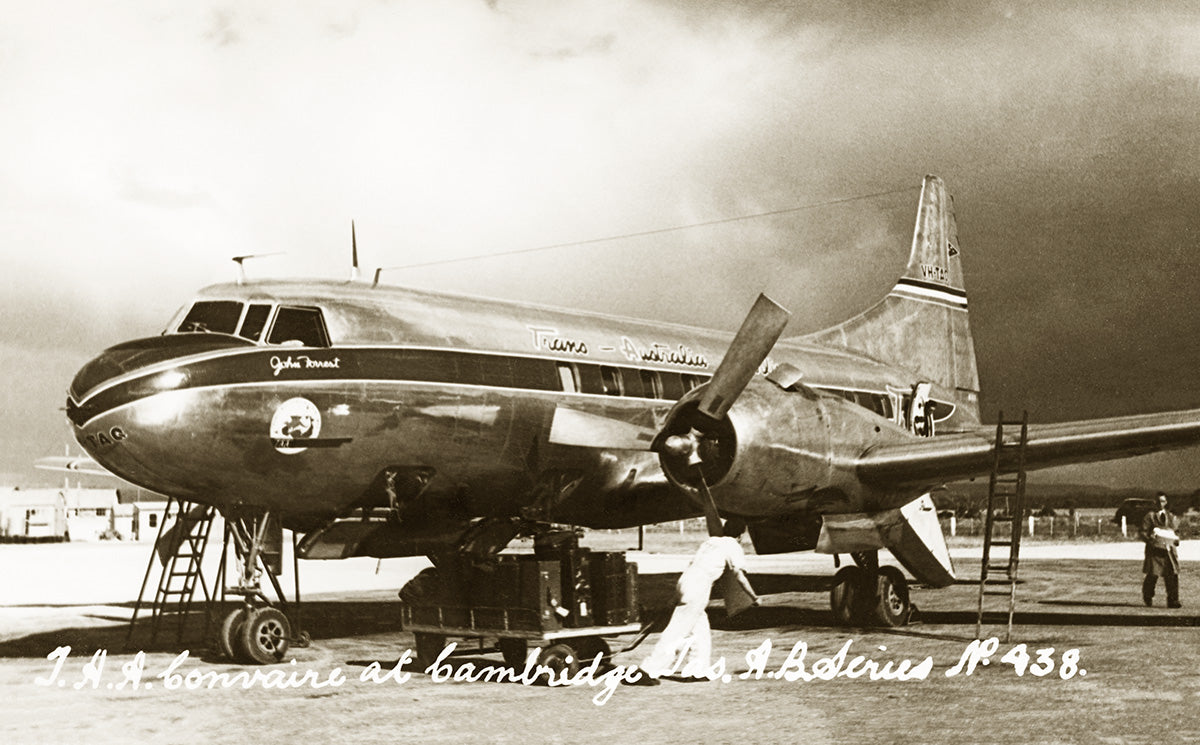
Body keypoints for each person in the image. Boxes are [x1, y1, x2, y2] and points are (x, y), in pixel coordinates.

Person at [629, 519, 757, 684]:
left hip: (686, 580)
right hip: (698, 586)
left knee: (700, 631)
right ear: (741, 535)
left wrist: (676, 596)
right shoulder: (733, 545)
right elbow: (738, 574)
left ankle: (698, 670)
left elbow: (693, 564)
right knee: (677, 631)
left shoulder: (711, 542)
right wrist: (754, 597)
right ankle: (647, 670)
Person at [1141, 492, 1181, 608]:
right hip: (1155, 550)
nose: (1160, 504)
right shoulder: (1150, 516)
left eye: (1163, 501)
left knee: (1172, 575)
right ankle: (1148, 595)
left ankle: (1173, 600)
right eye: (1158, 501)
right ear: (1155, 502)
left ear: (1166, 502)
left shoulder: (1171, 516)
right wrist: (1150, 539)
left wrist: (1176, 540)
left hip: (1169, 550)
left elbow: (1176, 531)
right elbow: (1143, 531)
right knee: (1153, 575)